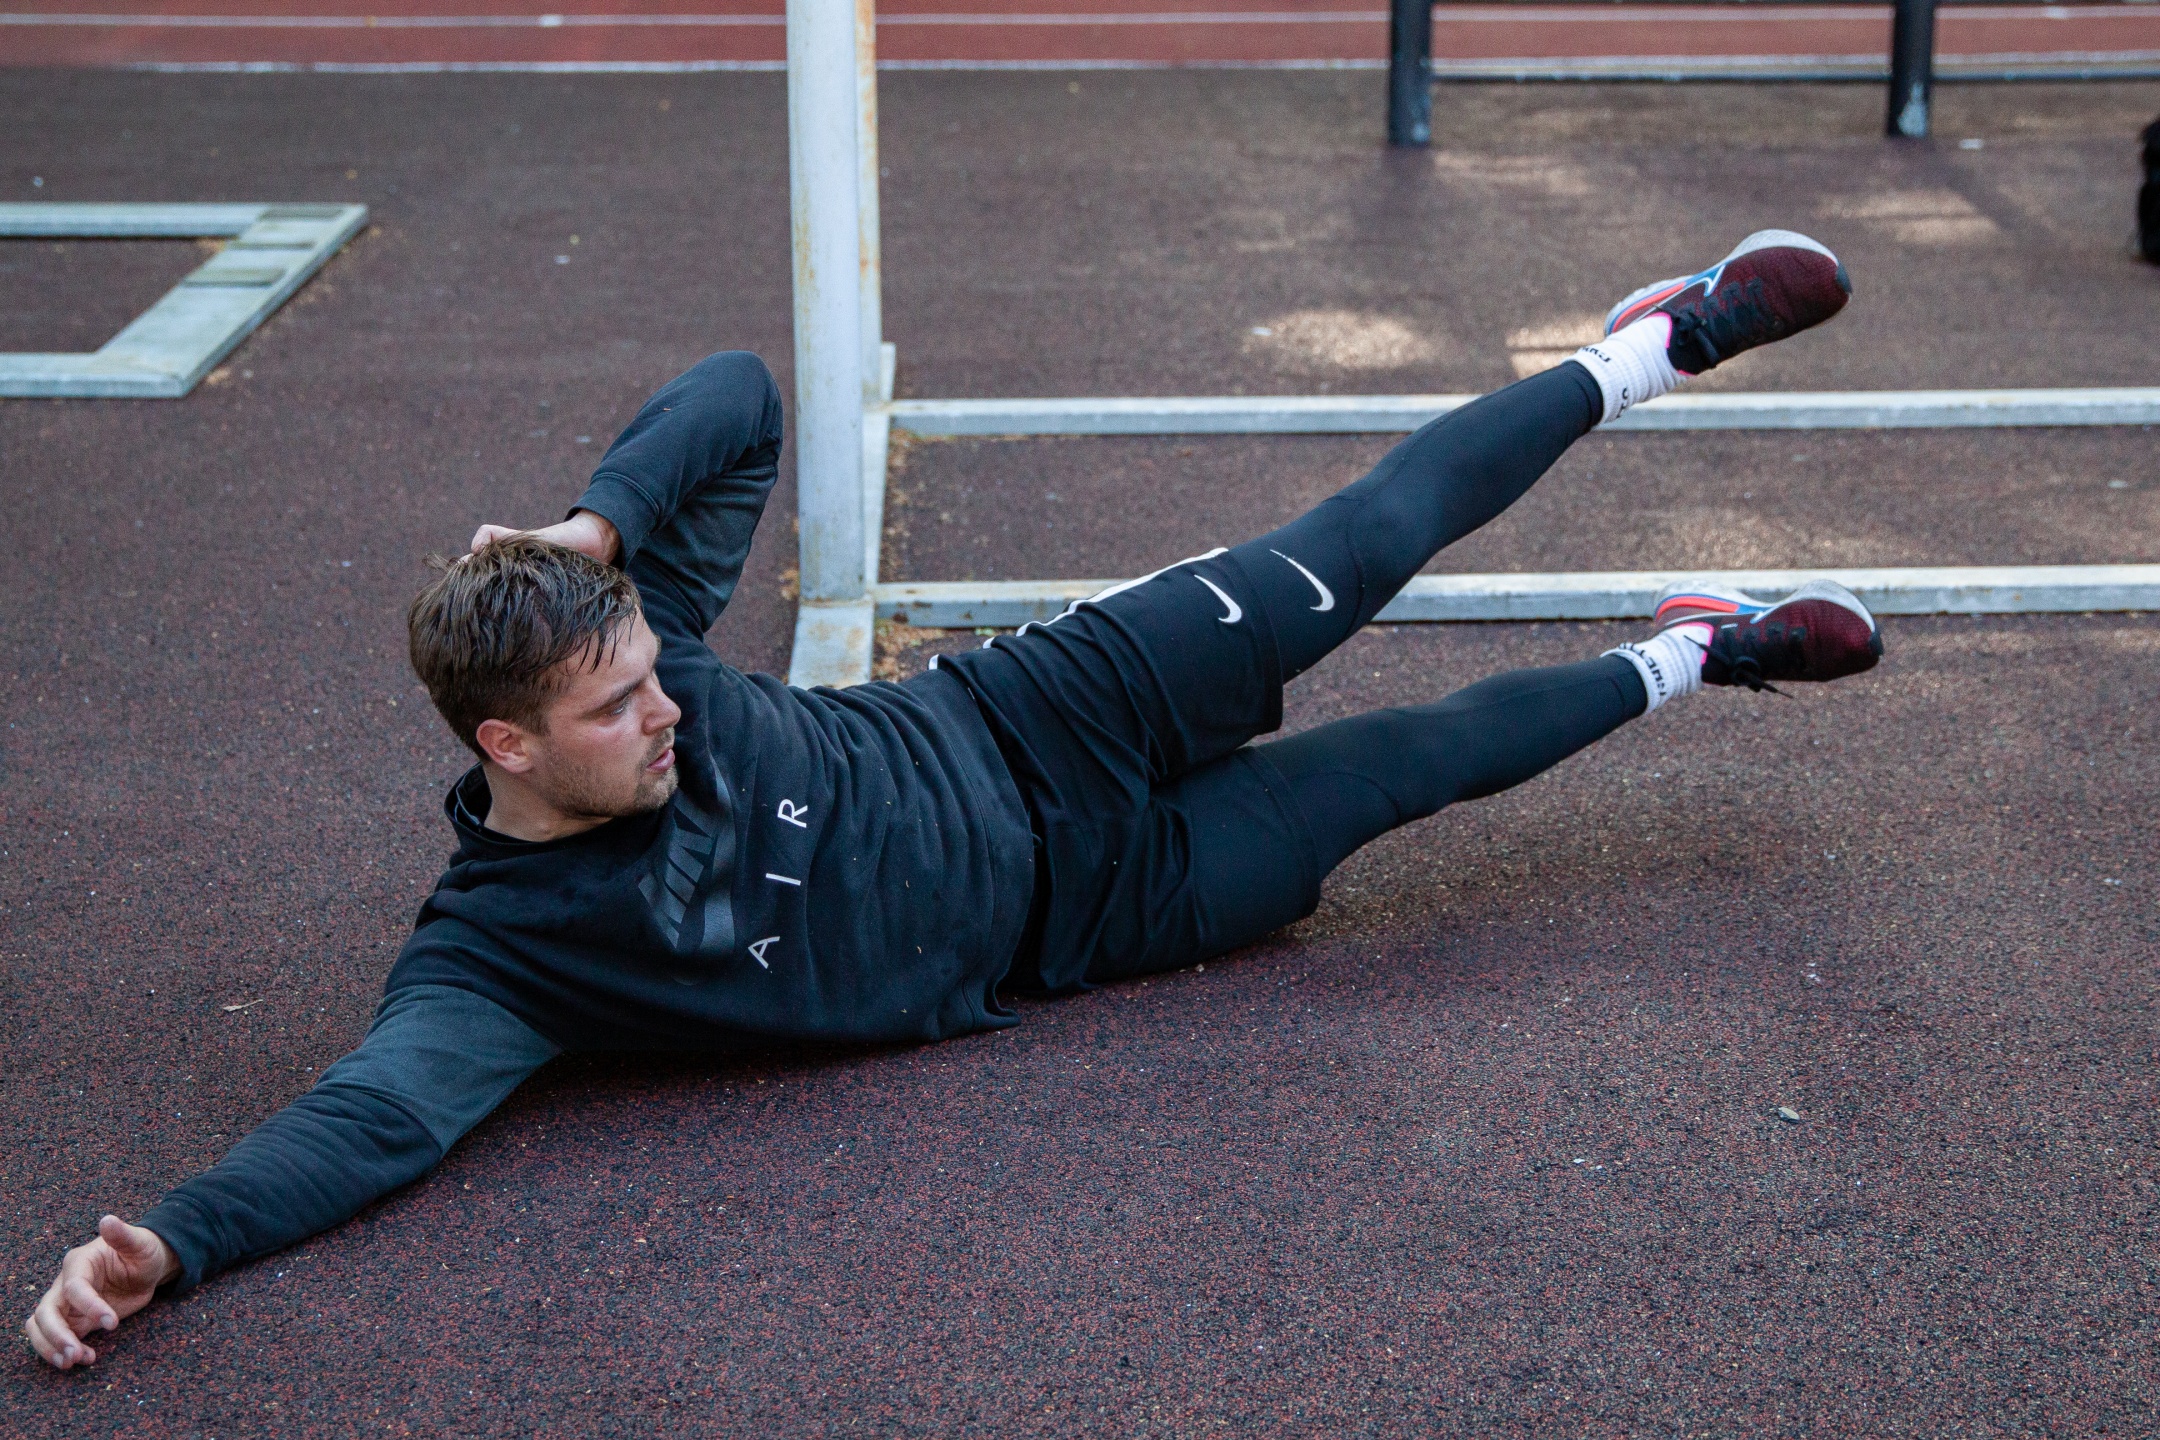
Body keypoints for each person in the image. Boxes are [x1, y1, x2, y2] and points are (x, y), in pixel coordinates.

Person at [25, 230, 1880, 1370]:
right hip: (1090, 919)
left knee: (1360, 551)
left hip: (1037, 711)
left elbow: (740, 395)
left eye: (653, 670)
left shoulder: (645, 642)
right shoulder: (500, 964)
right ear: (504, 746)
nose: (664, 710)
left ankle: (1656, 344)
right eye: (612, 708)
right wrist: (173, 1241)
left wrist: (597, 531)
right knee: (1412, 771)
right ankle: (1696, 655)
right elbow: (372, 1120)